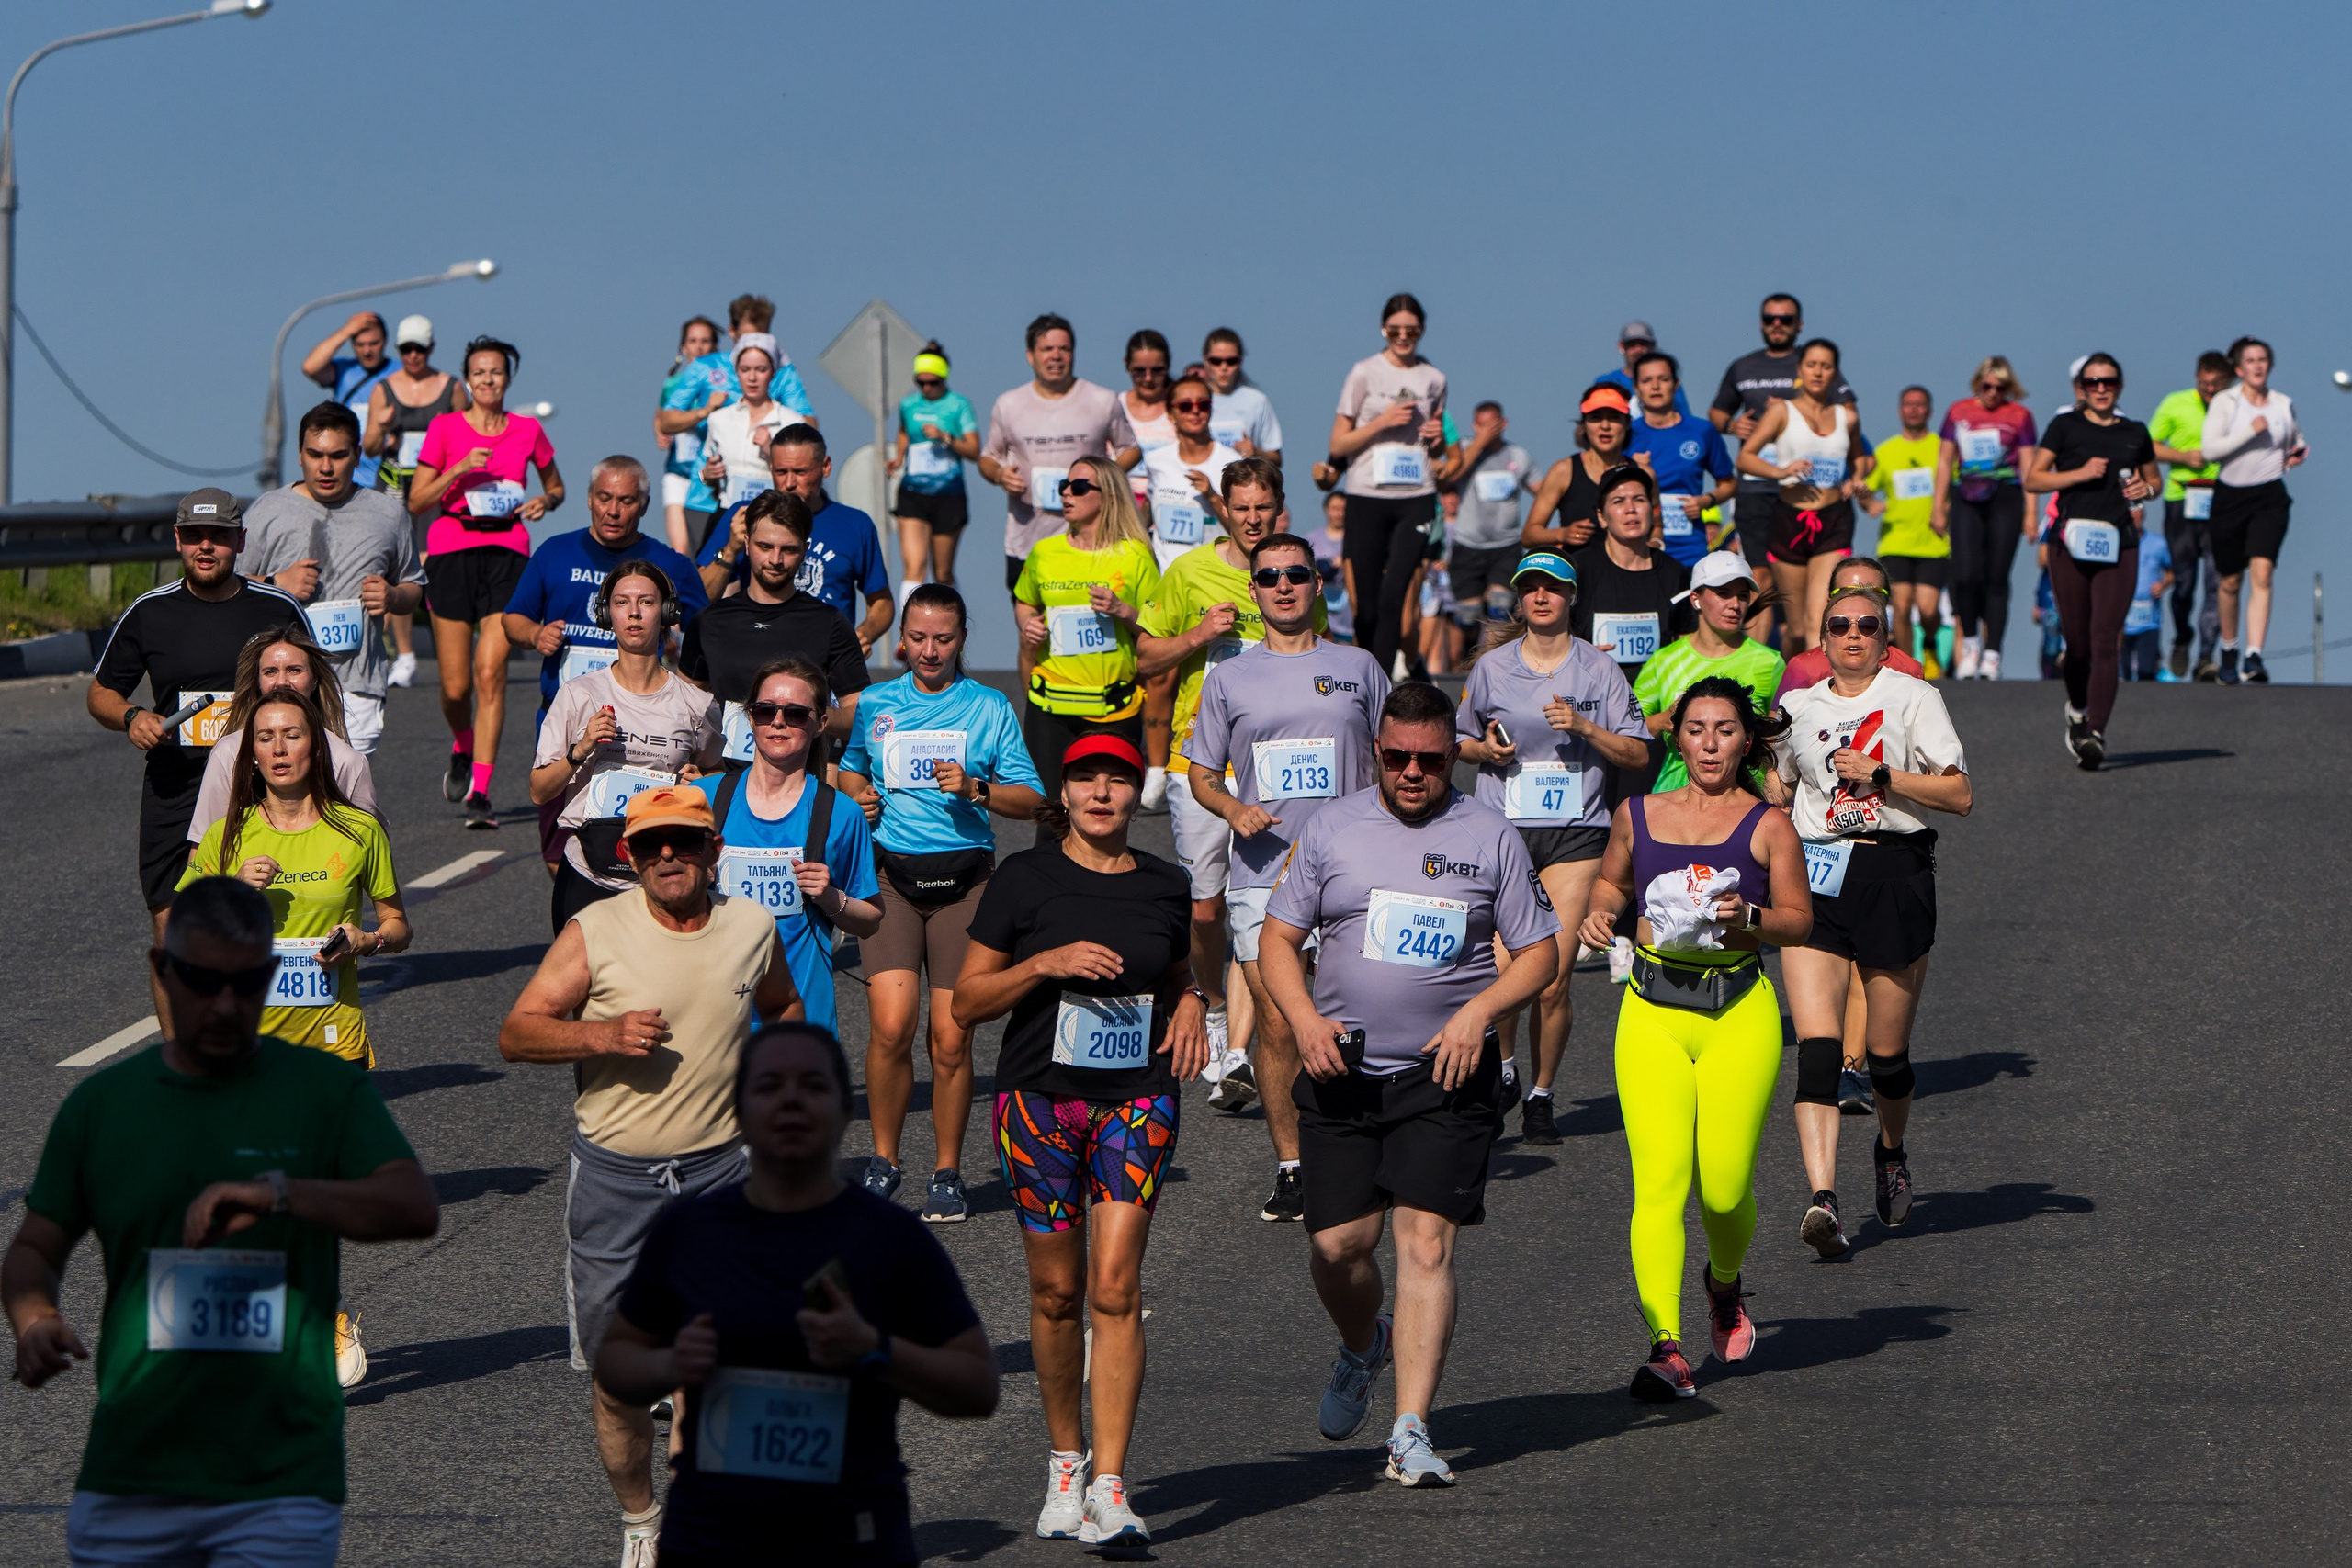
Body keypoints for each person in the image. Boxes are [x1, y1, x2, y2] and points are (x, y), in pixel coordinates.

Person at [6, 878, 437, 1568]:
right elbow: (35, 1244)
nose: (224, 1003)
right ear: (161, 972)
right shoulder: (103, 1107)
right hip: (133, 1471)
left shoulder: (325, 1090)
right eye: (201, 980)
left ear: (269, 975)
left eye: (243, 981)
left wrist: (285, 1195)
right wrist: (33, 1318)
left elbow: (413, 1203)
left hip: (279, 1475)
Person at [1255, 682, 1556, 1486]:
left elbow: (1540, 954)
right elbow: (1278, 939)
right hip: (1342, 1068)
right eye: (1398, 757)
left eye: (1430, 758)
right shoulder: (1331, 827)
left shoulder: (1490, 835)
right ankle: (1364, 1344)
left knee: (1425, 1243)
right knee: (1337, 1246)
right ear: (1377, 752)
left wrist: (1480, 1016)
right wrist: (1304, 1021)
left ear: (1453, 754)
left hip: (1446, 1074)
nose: (1413, 771)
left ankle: (1411, 1429)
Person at [498, 784, 799, 1567]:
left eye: (686, 841)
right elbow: (518, 1032)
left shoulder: (751, 926)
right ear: (629, 858)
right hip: (617, 1182)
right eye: (651, 844)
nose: (669, 856)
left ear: (712, 850)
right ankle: (641, 1521)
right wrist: (602, 1033)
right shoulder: (594, 931)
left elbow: (785, 1009)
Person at [594, 1022, 999, 1568]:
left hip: (851, 1537)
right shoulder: (690, 1232)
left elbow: (978, 1386)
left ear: (843, 1110)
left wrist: (874, 1348)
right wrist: (670, 1362)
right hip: (713, 1534)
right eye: (768, 1087)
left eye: (811, 1085)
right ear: (736, 1110)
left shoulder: (890, 1239)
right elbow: (615, 1366)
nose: (790, 1101)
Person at [951, 734, 1208, 1551]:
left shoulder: (1169, 883)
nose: (1104, 793)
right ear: (1064, 790)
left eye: (1120, 781)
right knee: (1057, 1294)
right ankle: (1065, 1462)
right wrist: (1046, 963)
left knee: (1115, 1287)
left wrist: (1195, 999)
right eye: (1088, 778)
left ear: (1139, 795)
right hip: (1040, 1104)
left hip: (1135, 1102)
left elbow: (1177, 971)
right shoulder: (1024, 879)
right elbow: (966, 1002)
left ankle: (1110, 1483)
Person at [1574, 679, 1811, 1399]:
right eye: (1698, 729)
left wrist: (1753, 922)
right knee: (1660, 1184)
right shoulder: (1636, 812)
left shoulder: (1769, 824)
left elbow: (1800, 922)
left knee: (1725, 1187)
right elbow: (1612, 886)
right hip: (1651, 1012)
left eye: (1726, 730)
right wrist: (1599, 916)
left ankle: (1725, 1281)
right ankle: (1665, 1345)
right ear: (1677, 736)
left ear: (1746, 740)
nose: (1711, 744)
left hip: (1738, 1010)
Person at [177, 685, 410, 1387]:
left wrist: (363, 938)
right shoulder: (228, 837)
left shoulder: (356, 831)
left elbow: (399, 923)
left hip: (330, 1039)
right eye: (266, 738)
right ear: (251, 754)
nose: (279, 749)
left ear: (318, 747)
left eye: (292, 736)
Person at [1181, 528, 1385, 1218]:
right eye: (1269, 576)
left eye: (1296, 573)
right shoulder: (1230, 674)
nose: (1284, 585)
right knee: (1275, 1020)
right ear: (1253, 589)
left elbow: (1398, 757)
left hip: (1353, 866)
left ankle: (1359, 1144)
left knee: (1350, 1013)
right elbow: (1200, 773)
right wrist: (1234, 809)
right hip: (1265, 870)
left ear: (1318, 584)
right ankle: (1293, 1164)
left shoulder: (1358, 665)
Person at [1768, 590, 1971, 1257]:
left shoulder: (1916, 697)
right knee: (1818, 1050)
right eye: (1839, 626)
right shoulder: (1798, 708)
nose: (1852, 635)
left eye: (1867, 626)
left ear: (1886, 639)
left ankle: (1890, 1150)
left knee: (1886, 1058)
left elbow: (1960, 794)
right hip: (1817, 876)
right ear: (1820, 640)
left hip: (1892, 871)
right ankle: (1823, 1197)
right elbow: (1784, 787)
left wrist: (1885, 773)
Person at [839, 586, 1044, 1222]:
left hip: (966, 885)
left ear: (962, 640)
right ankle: (884, 1159)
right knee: (893, 1027)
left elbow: (1033, 798)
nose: (930, 650)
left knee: (950, 1041)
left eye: (944, 638)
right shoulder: (876, 702)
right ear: (902, 638)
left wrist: (980, 789)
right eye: (919, 638)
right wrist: (858, 794)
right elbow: (847, 767)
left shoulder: (988, 707)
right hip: (893, 883)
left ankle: (947, 1171)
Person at [1134, 458, 1323, 1118]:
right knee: (1206, 907)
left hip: (1271, 765)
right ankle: (1211, 1005)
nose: (1251, 519)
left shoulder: (1294, 574)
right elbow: (1146, 658)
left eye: (1262, 508)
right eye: (1240, 508)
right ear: (1224, 510)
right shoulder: (1188, 572)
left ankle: (1247, 1039)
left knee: (1268, 905)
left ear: (1279, 508)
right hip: (1203, 758)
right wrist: (1197, 635)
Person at [90, 491, 306, 1032]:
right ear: (179, 540)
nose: (205, 547)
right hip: (176, 788)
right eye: (194, 537)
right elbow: (100, 692)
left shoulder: (276, 609)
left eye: (218, 537)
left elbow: (315, 693)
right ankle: (179, 1069)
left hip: (260, 788)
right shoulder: (151, 611)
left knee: (264, 927)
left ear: (240, 542)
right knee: (173, 932)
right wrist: (132, 716)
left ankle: (260, 1055)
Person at [1453, 553, 1649, 1143]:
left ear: (1571, 598)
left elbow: (1640, 753)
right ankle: (1505, 1071)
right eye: (1530, 589)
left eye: (1554, 588)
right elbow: (1457, 741)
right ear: (1519, 600)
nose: (1541, 597)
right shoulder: (1491, 669)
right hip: (1502, 832)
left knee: (1554, 975)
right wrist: (1485, 753)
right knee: (1500, 970)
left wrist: (1586, 729)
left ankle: (1541, 1094)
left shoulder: (1599, 669)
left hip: (1575, 834)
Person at [406, 336, 564, 829]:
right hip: (453, 549)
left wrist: (546, 502)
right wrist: (459, 467)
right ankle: (463, 743)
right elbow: (416, 500)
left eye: (496, 372)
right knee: (455, 687)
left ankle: (480, 791)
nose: (488, 381)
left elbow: (555, 485)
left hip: (508, 553)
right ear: (466, 380)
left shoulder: (526, 430)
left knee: (490, 672)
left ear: (507, 379)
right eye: (479, 373)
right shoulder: (445, 428)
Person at [531, 561, 726, 930]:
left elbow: (716, 775)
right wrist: (580, 749)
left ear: (667, 612)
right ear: (607, 614)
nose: (634, 613)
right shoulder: (578, 695)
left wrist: (703, 786)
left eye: (646, 602)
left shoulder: (696, 704)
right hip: (589, 874)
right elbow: (540, 792)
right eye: (621, 602)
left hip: (666, 873)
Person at [695, 657, 881, 1040]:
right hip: (712, 1018)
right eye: (766, 711)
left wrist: (831, 898)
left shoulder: (841, 813)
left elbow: (871, 918)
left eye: (795, 714)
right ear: (750, 718)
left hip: (802, 1019)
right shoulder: (702, 799)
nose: (778, 722)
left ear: (821, 724)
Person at [238, 403, 425, 755]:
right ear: (299, 455)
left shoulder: (388, 513)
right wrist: (277, 584)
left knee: (344, 803)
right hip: (281, 686)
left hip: (355, 687)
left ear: (357, 455)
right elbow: (229, 589)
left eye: (338, 456)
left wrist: (392, 597)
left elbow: (413, 587)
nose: (325, 467)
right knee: (284, 802)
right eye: (315, 455)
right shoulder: (268, 510)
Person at [2023, 354, 2158, 765]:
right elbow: (2034, 478)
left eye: (2109, 381)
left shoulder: (2135, 432)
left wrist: (2145, 490)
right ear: (2081, 387)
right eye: (2093, 382)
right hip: (2071, 544)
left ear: (2119, 385)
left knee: (2106, 640)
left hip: (2120, 543)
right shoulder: (2065, 427)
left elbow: (2154, 480)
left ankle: (2095, 733)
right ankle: (2077, 709)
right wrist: (2079, 474)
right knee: (2077, 643)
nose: (2101, 388)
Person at [680, 491, 874, 759]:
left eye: (789, 550)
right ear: (746, 544)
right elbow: (683, 705)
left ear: (805, 551)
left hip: (801, 783)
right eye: (765, 547)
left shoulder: (829, 623)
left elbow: (860, 715)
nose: (775, 560)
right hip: (723, 783)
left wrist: (808, 712)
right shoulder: (709, 621)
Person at [1012, 455, 1160, 793]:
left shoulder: (1135, 555)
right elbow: (1025, 602)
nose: (1066, 494)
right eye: (1064, 487)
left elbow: (1160, 630)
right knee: (1050, 815)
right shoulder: (1045, 552)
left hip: (1113, 708)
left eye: (1078, 488)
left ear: (1107, 495)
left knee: (1105, 816)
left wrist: (1123, 610)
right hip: (1051, 704)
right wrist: (1027, 624)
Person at [1330, 293, 1453, 676]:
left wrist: (1438, 437)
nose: (1403, 337)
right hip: (1367, 494)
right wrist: (1382, 422)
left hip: (1415, 496)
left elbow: (1442, 447)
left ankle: (1380, 686)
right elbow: (1337, 444)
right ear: (1383, 330)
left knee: (1394, 598)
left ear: (1422, 330)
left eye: (1411, 330)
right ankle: (1365, 674)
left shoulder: (1434, 379)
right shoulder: (1363, 372)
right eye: (1395, 330)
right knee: (1365, 605)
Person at [698, 425, 895, 658]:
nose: (789, 483)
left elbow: (881, 603)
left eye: (800, 472)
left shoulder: (855, 524)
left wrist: (862, 635)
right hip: (757, 658)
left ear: (825, 467)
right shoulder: (744, 517)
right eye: (781, 472)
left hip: (826, 664)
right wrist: (730, 550)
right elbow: (700, 596)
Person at [981, 313, 1141, 594]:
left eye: (1064, 349)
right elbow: (988, 458)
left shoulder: (1102, 400)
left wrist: (1103, 479)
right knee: (1030, 631)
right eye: (1047, 349)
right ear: (1030, 356)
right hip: (1026, 540)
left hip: (1091, 539)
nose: (1056, 356)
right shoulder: (1008, 404)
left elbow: (1130, 449)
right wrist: (999, 475)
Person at [1736, 339, 1872, 654]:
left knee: (1818, 620)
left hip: (1833, 518)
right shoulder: (1781, 411)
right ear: (1800, 369)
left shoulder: (1847, 417)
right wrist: (1782, 471)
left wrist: (1857, 480)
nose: (1818, 372)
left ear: (1835, 373)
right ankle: (1789, 690)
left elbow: (1858, 459)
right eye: (1812, 365)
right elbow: (1745, 458)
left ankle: (1822, 699)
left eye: (1826, 366)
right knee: (1795, 629)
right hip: (1789, 519)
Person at [1711, 293, 1859, 583]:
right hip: (1756, 488)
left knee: (1809, 587)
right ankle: (1765, 631)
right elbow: (1716, 412)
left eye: (1786, 319)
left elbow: (1847, 414)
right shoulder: (1743, 367)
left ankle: (1799, 629)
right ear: (1761, 324)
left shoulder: (1815, 363)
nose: (1777, 325)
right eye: (1770, 319)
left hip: (1809, 492)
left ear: (1799, 324)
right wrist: (1731, 425)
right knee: (1760, 577)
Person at [187, 628, 379, 845]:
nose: (281, 682)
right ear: (258, 682)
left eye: (294, 670)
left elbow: (371, 845)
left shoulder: (347, 761)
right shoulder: (229, 752)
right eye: (270, 672)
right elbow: (203, 848)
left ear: (314, 680)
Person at [2201, 336, 2306, 685]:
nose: (2258, 366)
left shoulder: (2282, 404)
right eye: (2250, 361)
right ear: (2238, 368)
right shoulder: (2225, 403)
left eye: (2263, 360)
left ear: (2270, 365)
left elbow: (2294, 440)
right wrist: (2249, 431)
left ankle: (2254, 655)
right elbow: (2210, 451)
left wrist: (2298, 451)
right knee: (2230, 581)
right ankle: (2229, 649)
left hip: (2269, 496)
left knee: (2262, 573)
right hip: (2230, 497)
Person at [367, 315, 464, 684]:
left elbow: (464, 434)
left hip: (435, 484)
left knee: (434, 566)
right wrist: (383, 427)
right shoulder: (384, 389)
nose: (412, 356)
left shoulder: (450, 387)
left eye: (419, 349)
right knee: (399, 568)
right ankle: (405, 655)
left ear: (431, 349)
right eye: (406, 349)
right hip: (394, 482)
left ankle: (448, 650)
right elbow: (370, 447)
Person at [1634, 551, 1784, 794]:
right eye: (1723, 594)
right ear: (1696, 599)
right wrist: (1665, 719)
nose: (1735, 605)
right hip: (1672, 800)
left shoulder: (1770, 661)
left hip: (1743, 800)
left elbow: (1780, 739)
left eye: (1743, 596)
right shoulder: (1663, 660)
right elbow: (1629, 732)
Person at [1932, 356, 2038, 681]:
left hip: (2006, 496)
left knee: (1995, 576)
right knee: (1964, 575)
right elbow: (1944, 459)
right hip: (1967, 495)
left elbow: (2030, 467)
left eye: (2001, 388)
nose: (1993, 393)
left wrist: (2031, 512)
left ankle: (1992, 654)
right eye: (1987, 386)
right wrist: (1938, 506)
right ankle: (1971, 645)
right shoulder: (1958, 412)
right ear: (1977, 383)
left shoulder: (2019, 416)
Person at [2148, 352, 2231, 682]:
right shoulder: (2175, 403)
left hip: (2222, 501)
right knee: (2183, 583)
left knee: (2217, 582)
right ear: (2196, 377)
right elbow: (2149, 445)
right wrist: (2183, 456)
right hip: (2181, 500)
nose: (2210, 389)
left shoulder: (2234, 407)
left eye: (2217, 384)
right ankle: (2183, 636)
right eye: (2204, 383)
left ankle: (2207, 657)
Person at [1567, 463, 1690, 684]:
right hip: (1590, 694)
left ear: (1652, 510)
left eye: (1639, 499)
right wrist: (1578, 655)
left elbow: (1687, 649)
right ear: (1601, 516)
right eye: (1618, 501)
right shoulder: (1577, 569)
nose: (1631, 508)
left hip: (1657, 703)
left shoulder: (1675, 573)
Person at [1859, 386, 1950, 674]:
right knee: (1901, 606)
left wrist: (1945, 510)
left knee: (1928, 610)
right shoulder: (1886, 451)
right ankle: (1908, 668)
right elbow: (1864, 489)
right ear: (1900, 410)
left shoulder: (1942, 448)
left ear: (1929, 411)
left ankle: (1932, 641)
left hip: (1933, 543)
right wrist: (1869, 502)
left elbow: (1959, 487)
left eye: (1919, 404)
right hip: (1895, 542)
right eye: (1908, 404)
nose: (1913, 409)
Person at [1625, 355, 1737, 570]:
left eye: (1663, 379)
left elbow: (1730, 484)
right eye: (1647, 381)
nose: (1656, 386)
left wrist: (1705, 501)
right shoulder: (1627, 435)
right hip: (1639, 547)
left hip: (1688, 550)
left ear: (1676, 384)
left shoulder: (1701, 431)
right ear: (1637, 388)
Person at [888, 342, 980, 593]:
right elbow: (904, 432)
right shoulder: (908, 405)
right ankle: (908, 629)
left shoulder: (958, 405)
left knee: (942, 572)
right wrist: (898, 458)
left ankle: (953, 624)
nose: (927, 388)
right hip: (913, 492)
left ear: (943, 379)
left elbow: (974, 450)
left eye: (933, 383)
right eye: (921, 383)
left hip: (948, 495)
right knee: (914, 568)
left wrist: (945, 437)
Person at [1771, 558, 1926, 698]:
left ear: (1887, 601)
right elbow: (1780, 725)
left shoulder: (1909, 668)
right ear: (1830, 601)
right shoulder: (1803, 668)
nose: (1859, 600)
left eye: (1873, 593)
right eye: (1846, 593)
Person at [695, 333, 812, 515]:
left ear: (772, 373)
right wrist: (707, 475)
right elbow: (711, 476)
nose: (752, 377)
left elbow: (802, 476)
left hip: (774, 515)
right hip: (728, 513)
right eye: (745, 369)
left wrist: (771, 450)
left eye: (760, 369)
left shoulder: (792, 421)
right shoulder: (718, 419)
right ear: (736, 372)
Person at [1446, 402, 1538, 624]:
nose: (1486, 430)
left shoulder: (1518, 456)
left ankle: (1497, 657)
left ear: (1503, 423)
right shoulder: (1464, 452)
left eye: (1492, 425)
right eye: (1481, 425)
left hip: (1505, 546)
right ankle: (1466, 657)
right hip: (1469, 545)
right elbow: (1451, 475)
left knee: (1501, 609)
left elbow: (1543, 492)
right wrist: (1480, 442)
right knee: (1466, 619)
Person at [1521, 385, 1639, 555]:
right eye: (1596, 418)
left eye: (1614, 418)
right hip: (1579, 576)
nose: (1605, 426)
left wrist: (1654, 544)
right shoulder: (1564, 471)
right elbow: (1528, 536)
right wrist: (1562, 534)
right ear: (1583, 424)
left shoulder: (1641, 473)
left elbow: (1656, 527)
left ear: (1627, 423)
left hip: (1628, 577)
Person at [300, 310, 396, 491]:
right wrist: (346, 331)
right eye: (360, 344)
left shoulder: (399, 374)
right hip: (349, 476)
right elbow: (310, 367)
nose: (367, 351)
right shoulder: (345, 371)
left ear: (384, 341)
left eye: (373, 343)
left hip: (388, 476)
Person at [654, 315, 724, 553]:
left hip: (709, 474)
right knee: (681, 548)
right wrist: (660, 433)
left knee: (710, 548)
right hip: (678, 471)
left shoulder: (723, 383)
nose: (699, 347)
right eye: (693, 341)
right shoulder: (673, 383)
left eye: (705, 341)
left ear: (715, 347)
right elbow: (661, 415)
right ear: (683, 347)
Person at [1202, 327, 1283, 462]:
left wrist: (1256, 451)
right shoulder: (1193, 402)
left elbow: (1277, 459)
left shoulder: (1256, 401)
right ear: (1205, 362)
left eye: (1231, 361)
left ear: (1241, 362)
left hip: (1243, 480)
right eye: (1216, 361)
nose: (1224, 367)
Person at [1118, 329, 1177, 497]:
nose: (1148, 378)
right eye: (1139, 371)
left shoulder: (1184, 409)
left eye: (1157, 370)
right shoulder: (1115, 406)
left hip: (1169, 506)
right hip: (1123, 509)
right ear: (1127, 365)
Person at [1595, 320, 1692, 416]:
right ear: (1621, 346)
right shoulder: (1606, 382)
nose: (1638, 350)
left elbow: (1683, 419)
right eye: (1632, 345)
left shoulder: (1666, 382)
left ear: (1653, 346)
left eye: (1643, 344)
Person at [2122, 531, 2174, 682]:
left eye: (2139, 508)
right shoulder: (2116, 541)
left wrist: (2163, 585)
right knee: (2121, 673)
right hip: (2122, 620)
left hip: (2149, 620)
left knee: (2146, 671)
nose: (2135, 514)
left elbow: (2171, 572)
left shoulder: (2158, 544)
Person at [1313, 489, 1355, 643]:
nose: (1340, 514)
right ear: (1327, 510)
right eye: (1335, 509)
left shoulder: (1357, 540)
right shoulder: (1312, 539)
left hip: (1348, 620)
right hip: (1321, 617)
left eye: (1344, 509)